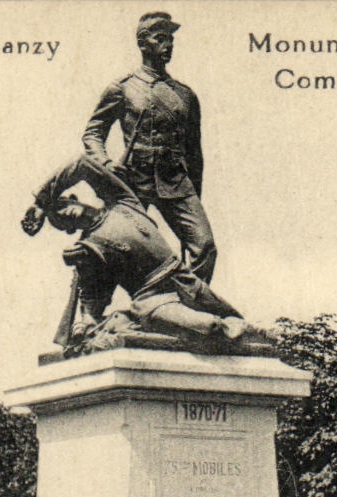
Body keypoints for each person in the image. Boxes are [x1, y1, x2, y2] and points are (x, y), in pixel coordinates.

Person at [21, 155, 247, 352]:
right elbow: (91, 296)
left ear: (73, 199)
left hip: (185, 281)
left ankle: (267, 332)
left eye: (59, 207)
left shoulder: (122, 201)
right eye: (58, 220)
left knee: (240, 327)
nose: (62, 214)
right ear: (68, 229)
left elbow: (81, 163)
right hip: (152, 301)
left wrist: (41, 203)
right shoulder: (88, 249)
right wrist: (85, 323)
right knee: (211, 327)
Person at [82, 12, 216, 282]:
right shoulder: (122, 88)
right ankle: (92, 313)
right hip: (134, 183)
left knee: (205, 248)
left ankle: (187, 310)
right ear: (143, 44)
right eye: (160, 38)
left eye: (170, 39)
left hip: (175, 183)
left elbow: (194, 152)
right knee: (112, 246)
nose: (168, 45)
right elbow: (93, 133)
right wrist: (106, 165)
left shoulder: (185, 95)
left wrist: (195, 193)